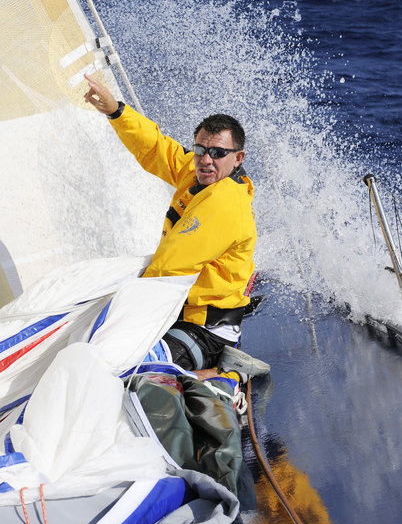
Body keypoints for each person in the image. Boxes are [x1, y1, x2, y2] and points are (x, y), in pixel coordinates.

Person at [83, 74, 269, 382]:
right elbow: (157, 149)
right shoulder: (198, 173)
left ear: (238, 158)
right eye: (200, 150)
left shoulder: (223, 205)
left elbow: (169, 268)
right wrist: (116, 110)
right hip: (175, 313)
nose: (206, 160)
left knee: (130, 372)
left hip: (205, 331)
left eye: (218, 153)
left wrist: (119, 309)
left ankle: (230, 373)